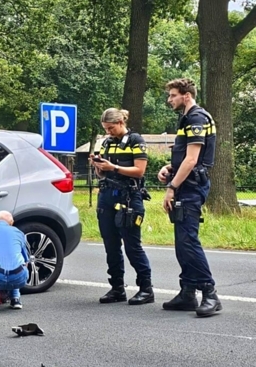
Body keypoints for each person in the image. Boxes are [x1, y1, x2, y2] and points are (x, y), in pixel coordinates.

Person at [157, 77, 221, 317]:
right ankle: (187, 292)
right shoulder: (187, 118)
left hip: (191, 187)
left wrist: (171, 186)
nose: (169, 100)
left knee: (188, 242)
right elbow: (185, 157)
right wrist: (169, 168)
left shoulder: (196, 118)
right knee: (182, 242)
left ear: (186, 95)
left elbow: (193, 160)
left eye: (173, 95)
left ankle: (210, 293)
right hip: (187, 184)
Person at [90, 108, 154, 305]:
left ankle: (146, 289)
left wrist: (114, 167)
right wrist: (98, 166)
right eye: (106, 129)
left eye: (110, 128)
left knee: (132, 245)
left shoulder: (136, 140)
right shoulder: (108, 143)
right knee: (111, 245)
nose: (108, 132)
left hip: (129, 197)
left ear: (120, 122)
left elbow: (139, 171)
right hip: (107, 195)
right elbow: (104, 174)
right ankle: (117, 288)